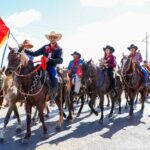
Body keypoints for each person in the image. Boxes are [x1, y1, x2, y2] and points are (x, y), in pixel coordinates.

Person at [24, 31, 63, 101]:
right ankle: (29, 93)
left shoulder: (59, 49)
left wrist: (49, 60)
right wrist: (25, 50)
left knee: (55, 79)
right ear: (49, 38)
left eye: (54, 37)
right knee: (31, 73)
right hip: (42, 65)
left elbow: (60, 60)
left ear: (56, 38)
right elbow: (35, 53)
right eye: (51, 37)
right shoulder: (45, 47)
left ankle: (52, 97)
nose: (52, 39)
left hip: (51, 67)